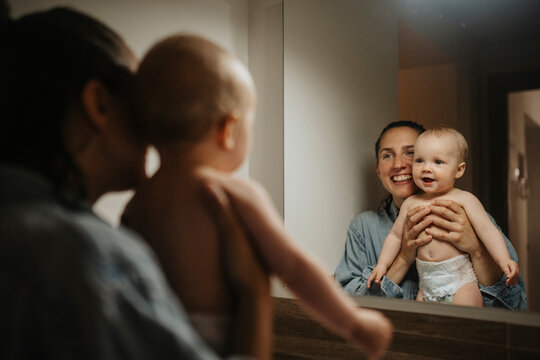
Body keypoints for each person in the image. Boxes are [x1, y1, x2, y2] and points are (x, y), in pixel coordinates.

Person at [0, 7, 271, 359]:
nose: (155, 118)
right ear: (99, 103)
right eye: (141, 98)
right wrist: (255, 294)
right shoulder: (92, 259)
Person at [123, 34, 393, 359]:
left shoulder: (137, 203)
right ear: (228, 129)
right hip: (224, 340)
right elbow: (294, 266)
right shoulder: (232, 191)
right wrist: (354, 323)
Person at [335, 121, 527, 310]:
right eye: (387, 155)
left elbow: (516, 308)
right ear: (378, 169)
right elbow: (345, 307)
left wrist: (478, 251)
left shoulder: (466, 209)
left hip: (460, 282)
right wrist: (401, 259)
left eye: (409, 153)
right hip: (422, 298)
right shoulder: (364, 228)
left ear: (457, 168)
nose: (399, 164)